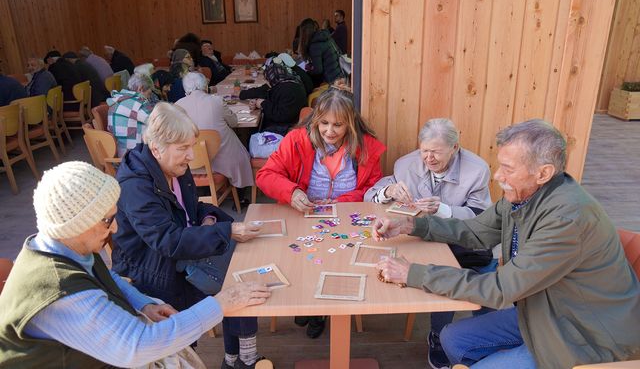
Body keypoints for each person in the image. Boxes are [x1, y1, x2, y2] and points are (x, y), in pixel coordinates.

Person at [374, 119, 640, 369]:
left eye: (508, 169)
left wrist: (414, 273)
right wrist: (413, 225)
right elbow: (475, 231)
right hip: (541, 312)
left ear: (543, 173)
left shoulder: (566, 220)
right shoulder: (523, 195)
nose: (498, 176)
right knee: (452, 339)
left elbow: (500, 288)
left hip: (585, 337)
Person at [0, 161, 271, 368]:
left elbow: (105, 276)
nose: (115, 227)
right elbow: (139, 345)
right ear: (75, 226)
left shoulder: (63, 244)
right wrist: (222, 303)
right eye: (107, 221)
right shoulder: (59, 292)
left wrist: (143, 303)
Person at [111, 102, 270, 369]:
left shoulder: (173, 167)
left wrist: (209, 219)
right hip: (155, 274)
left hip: (183, 258)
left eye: (191, 146)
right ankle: (239, 359)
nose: (190, 156)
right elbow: (168, 241)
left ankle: (239, 359)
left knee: (239, 277)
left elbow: (192, 208)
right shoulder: (135, 186)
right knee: (232, 287)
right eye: (183, 148)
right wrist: (226, 229)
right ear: (157, 148)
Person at [256, 83, 386, 337]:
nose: (329, 131)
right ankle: (305, 301)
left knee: (336, 261)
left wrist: (346, 201)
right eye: (324, 123)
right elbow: (266, 175)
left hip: (347, 218)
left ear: (350, 123)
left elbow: (373, 188)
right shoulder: (296, 141)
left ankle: (322, 310)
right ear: (315, 120)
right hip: (301, 214)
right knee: (300, 259)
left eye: (337, 125)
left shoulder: (366, 147)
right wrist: (291, 191)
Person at [364, 118, 493, 369]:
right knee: (436, 267)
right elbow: (370, 194)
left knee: (472, 280)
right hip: (423, 237)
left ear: (455, 148)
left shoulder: (477, 169)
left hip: (465, 241)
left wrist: (444, 209)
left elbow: (482, 218)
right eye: (424, 150)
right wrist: (387, 192)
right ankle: (438, 334)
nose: (429, 158)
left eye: (436, 152)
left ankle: (481, 340)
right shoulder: (406, 164)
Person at [176, 72, 253, 189]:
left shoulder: (177, 106)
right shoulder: (217, 101)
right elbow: (234, 122)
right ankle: (240, 193)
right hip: (223, 158)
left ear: (185, 89)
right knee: (239, 151)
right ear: (205, 86)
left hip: (192, 161)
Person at [239, 56, 307, 136]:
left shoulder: (287, 89)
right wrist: (258, 102)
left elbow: (281, 116)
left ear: (272, 77)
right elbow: (273, 99)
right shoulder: (286, 83)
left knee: (252, 134)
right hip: (289, 124)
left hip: (286, 128)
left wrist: (262, 103)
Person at [106, 73, 156, 156]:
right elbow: (157, 120)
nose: (148, 98)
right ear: (141, 89)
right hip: (132, 156)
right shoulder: (135, 103)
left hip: (121, 150)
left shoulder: (120, 99)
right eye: (149, 93)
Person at [297, 18, 345, 86]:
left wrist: (308, 71)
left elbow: (318, 70)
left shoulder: (314, 45)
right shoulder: (326, 37)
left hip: (331, 80)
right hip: (340, 75)